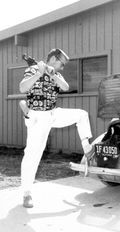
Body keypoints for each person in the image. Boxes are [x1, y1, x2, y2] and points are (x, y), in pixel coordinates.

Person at [19, 48, 93, 208]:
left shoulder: (56, 74)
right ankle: (27, 194)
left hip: (52, 113)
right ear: (53, 58)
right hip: (38, 117)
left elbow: (65, 87)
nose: (63, 67)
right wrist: (39, 73)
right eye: (62, 63)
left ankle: (87, 148)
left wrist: (51, 73)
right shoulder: (32, 69)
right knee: (33, 155)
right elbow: (22, 88)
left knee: (81, 114)